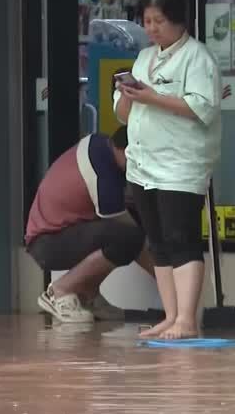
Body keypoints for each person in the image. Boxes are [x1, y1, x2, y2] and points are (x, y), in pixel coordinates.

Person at [114, 0, 222, 340]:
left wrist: (153, 96)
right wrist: (130, 96)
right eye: (146, 21)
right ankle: (171, 315)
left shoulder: (198, 57)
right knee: (157, 240)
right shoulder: (144, 58)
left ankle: (187, 319)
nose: (151, 28)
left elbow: (200, 107)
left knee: (182, 237)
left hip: (180, 164)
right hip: (144, 164)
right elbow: (123, 115)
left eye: (159, 20)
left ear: (178, 20)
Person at [28, 127, 154, 323]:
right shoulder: (102, 169)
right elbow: (132, 234)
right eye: (136, 159)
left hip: (60, 233)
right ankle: (60, 291)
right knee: (129, 237)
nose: (139, 166)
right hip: (47, 243)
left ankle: (88, 294)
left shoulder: (101, 148)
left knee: (129, 235)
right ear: (122, 149)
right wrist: (170, 283)